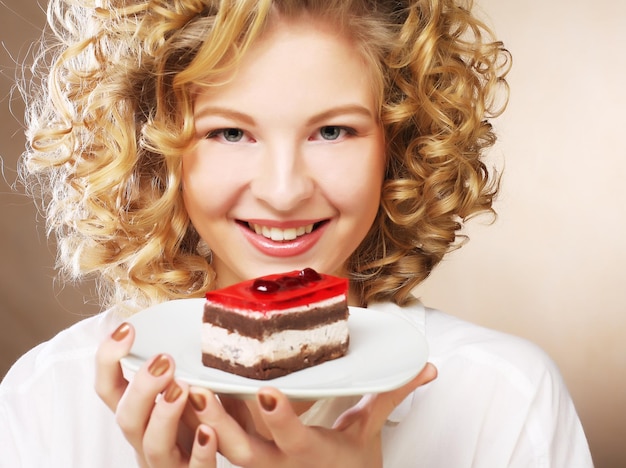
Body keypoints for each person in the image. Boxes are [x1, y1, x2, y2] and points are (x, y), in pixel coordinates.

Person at [0, 0, 593, 466]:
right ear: (156, 149)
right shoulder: (48, 399)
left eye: (332, 132)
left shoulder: (505, 399)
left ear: (400, 143)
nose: (284, 191)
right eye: (231, 133)